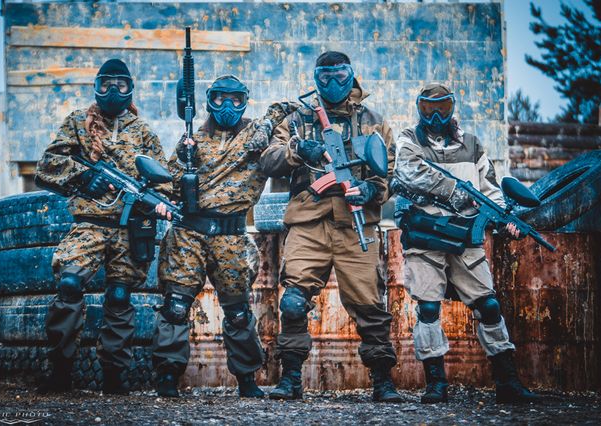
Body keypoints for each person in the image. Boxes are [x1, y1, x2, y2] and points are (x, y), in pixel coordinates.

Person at [259, 51, 403, 402]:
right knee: (293, 302)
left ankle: (383, 380)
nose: (334, 84)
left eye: (341, 76)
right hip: (309, 222)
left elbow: (388, 173)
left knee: (370, 305)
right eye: (325, 78)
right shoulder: (297, 119)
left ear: (352, 76)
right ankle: (291, 378)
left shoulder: (373, 122)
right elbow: (268, 159)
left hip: (356, 225)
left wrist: (371, 190)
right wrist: (299, 150)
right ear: (315, 80)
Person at [390, 83, 539, 404]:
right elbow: (410, 172)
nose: (436, 116)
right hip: (425, 237)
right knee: (428, 308)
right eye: (429, 108)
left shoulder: (472, 144)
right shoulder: (409, 139)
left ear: (452, 108)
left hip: (465, 237)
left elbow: (490, 189)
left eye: (442, 108)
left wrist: (505, 219)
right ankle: (436, 384)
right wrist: (456, 192)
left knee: (489, 305)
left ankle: (508, 383)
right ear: (419, 109)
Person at [152, 75, 297, 398]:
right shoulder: (192, 141)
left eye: (235, 99)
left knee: (238, 312)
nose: (227, 106)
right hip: (188, 234)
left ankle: (246, 379)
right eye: (220, 99)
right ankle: (167, 376)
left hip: (231, 236)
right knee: (175, 306)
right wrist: (170, 186)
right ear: (208, 101)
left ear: (245, 100)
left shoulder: (256, 136)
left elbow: (285, 110)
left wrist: (273, 122)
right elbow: (169, 185)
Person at [34, 59, 171, 395]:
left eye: (121, 85)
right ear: (96, 86)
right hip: (89, 224)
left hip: (130, 229)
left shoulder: (143, 131)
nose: (113, 91)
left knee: (120, 296)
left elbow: (163, 183)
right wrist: (83, 178)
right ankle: (60, 370)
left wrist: (157, 204)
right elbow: (47, 165)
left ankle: (114, 374)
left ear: (130, 89)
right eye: (106, 83)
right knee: (69, 283)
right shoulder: (77, 122)